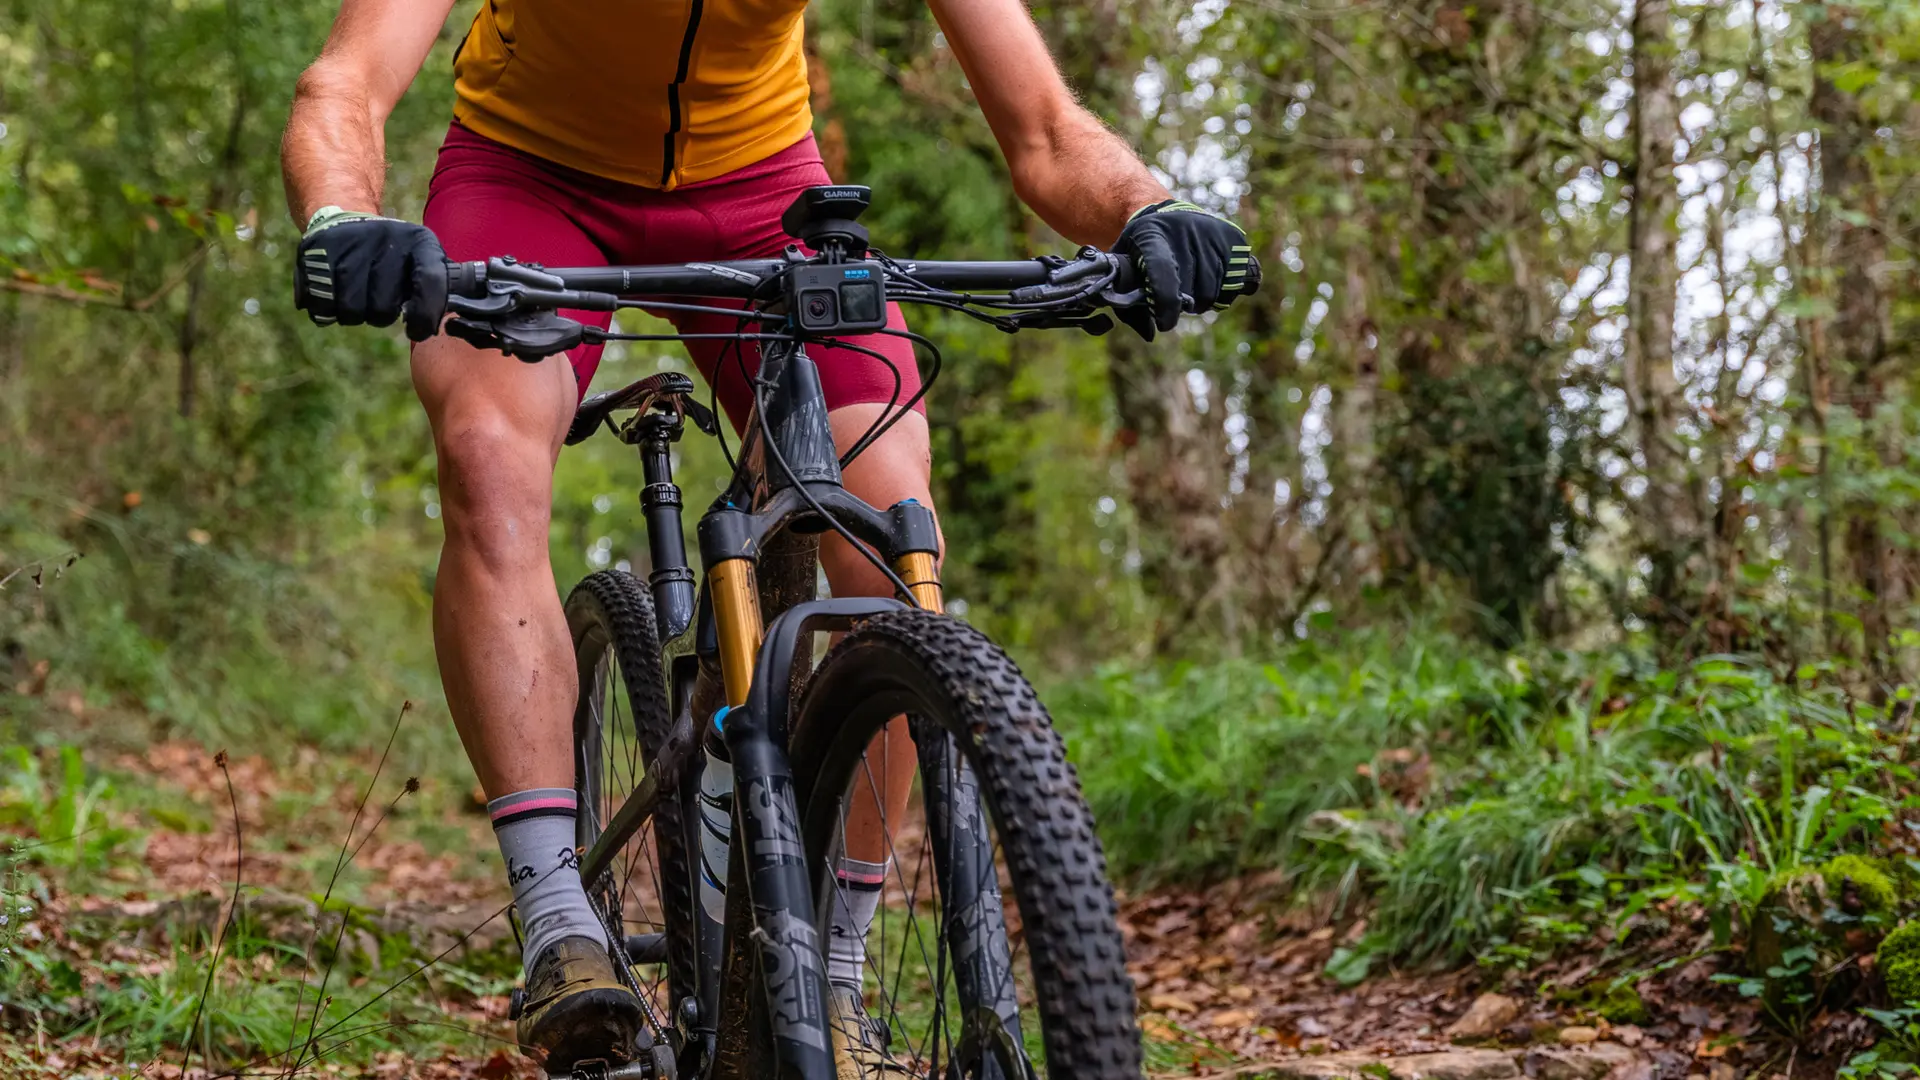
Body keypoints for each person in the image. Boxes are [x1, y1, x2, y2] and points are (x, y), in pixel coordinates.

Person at [281, 0, 1253, 1072]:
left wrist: (1147, 209)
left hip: (760, 193)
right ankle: (557, 912)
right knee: (488, 462)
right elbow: (346, 85)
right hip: (526, 178)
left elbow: (1048, 130)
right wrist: (340, 218)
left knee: (888, 528)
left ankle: (833, 969)